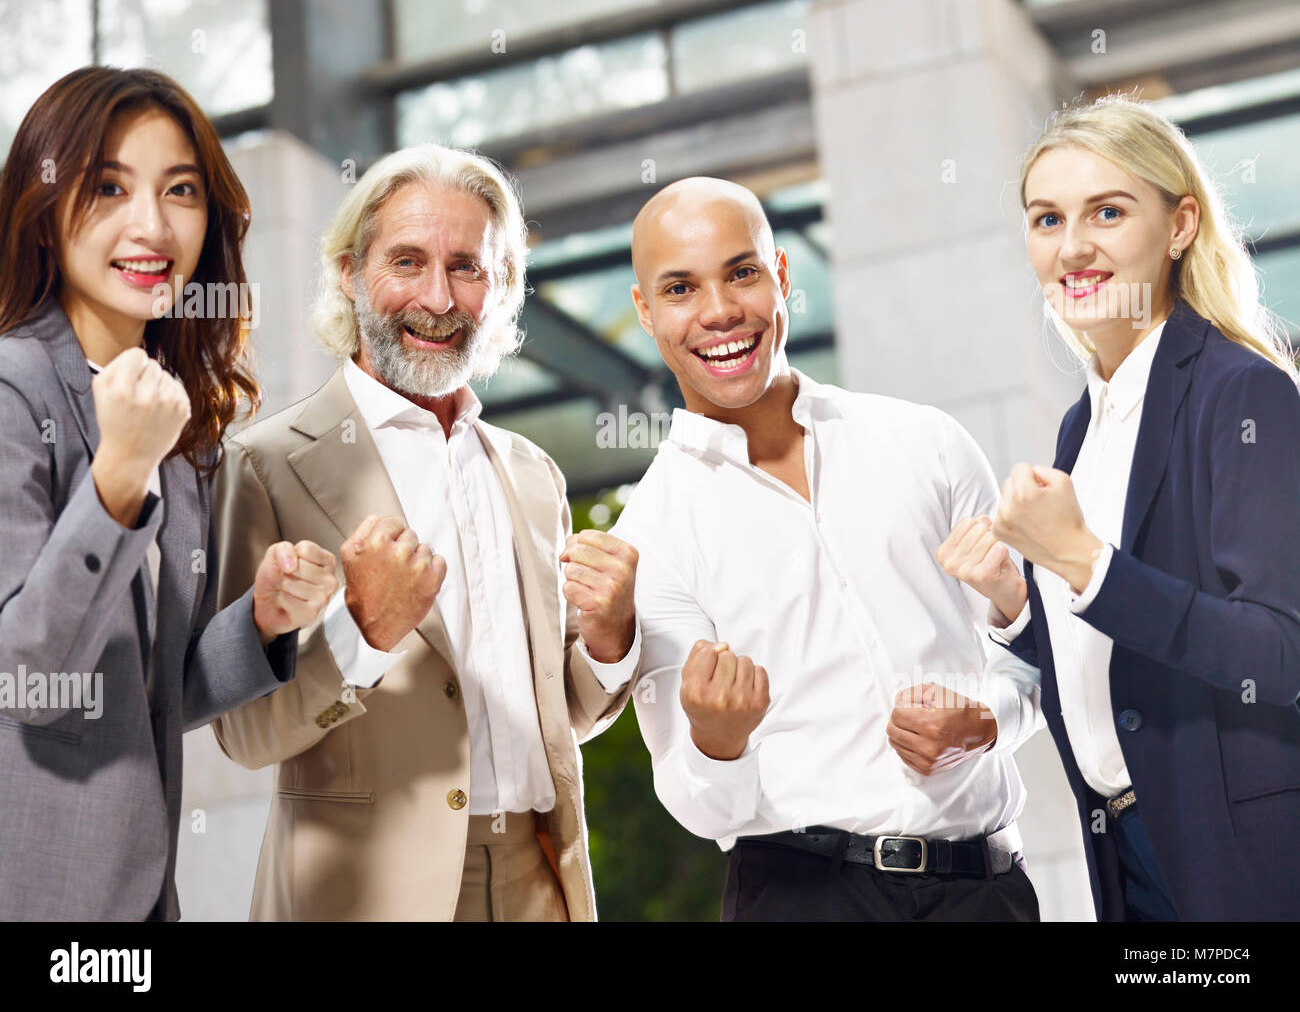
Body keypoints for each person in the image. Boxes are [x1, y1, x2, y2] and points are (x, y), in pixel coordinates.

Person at [210, 143, 641, 921]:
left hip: (539, 880)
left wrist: (612, 643)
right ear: (348, 271)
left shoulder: (534, 476)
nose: (436, 298)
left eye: (468, 267)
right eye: (406, 261)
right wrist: (364, 634)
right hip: (364, 893)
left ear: (502, 285)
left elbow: (556, 712)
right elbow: (242, 731)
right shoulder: (264, 465)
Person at [611, 176, 1044, 922]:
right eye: (681, 288)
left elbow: (1037, 658)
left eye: (741, 272)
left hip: (988, 888)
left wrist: (988, 721)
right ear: (646, 310)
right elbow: (703, 806)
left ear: (781, 277)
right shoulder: (649, 532)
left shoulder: (926, 443)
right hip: (802, 898)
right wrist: (717, 741)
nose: (719, 311)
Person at [940, 95, 1300, 921]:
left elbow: (1278, 652)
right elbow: (1115, 649)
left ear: (1179, 226)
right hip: (1128, 853)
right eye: (1046, 219)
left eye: (1107, 211)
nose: (1073, 247)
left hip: (1241, 858)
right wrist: (1015, 600)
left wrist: (1081, 560)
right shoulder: (1084, 424)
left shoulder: (1242, 391)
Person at [0, 66, 336, 922]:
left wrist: (260, 619)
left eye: (180, 190)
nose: (150, 225)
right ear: (41, 208)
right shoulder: (13, 389)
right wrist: (115, 481)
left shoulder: (176, 423)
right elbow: (24, 675)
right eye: (107, 186)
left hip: (140, 905)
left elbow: (149, 692)